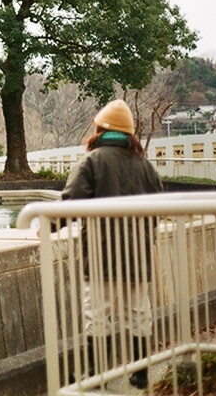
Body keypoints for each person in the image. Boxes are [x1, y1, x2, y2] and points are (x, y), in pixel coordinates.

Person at [60, 99, 163, 389]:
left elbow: (71, 200)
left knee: (98, 312)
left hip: (101, 252)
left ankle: (95, 372)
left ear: (101, 129)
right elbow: (157, 204)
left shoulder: (92, 161)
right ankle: (141, 370)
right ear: (129, 135)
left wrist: (50, 225)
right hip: (138, 255)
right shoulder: (144, 165)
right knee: (138, 311)